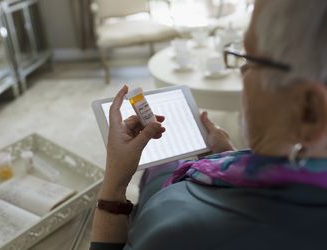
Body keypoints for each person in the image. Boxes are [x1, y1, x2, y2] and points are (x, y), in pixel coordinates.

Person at [91, 0, 327, 249]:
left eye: (249, 60)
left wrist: (114, 185)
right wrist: (227, 155)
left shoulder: (177, 233)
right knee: (168, 162)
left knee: (162, 166)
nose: (241, 72)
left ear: (309, 110)